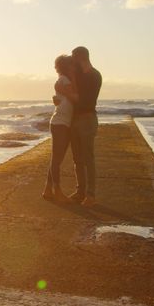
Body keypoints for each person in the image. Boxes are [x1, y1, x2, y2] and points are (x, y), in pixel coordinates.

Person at [62, 46, 102, 207]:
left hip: (87, 118)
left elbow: (83, 100)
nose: (72, 63)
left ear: (80, 58)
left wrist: (65, 92)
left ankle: (90, 195)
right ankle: (80, 191)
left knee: (88, 158)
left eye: (74, 59)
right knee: (77, 159)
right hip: (75, 119)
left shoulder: (94, 75)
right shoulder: (78, 75)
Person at [42, 55, 78, 202]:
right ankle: (56, 191)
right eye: (71, 65)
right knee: (57, 159)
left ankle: (48, 190)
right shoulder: (65, 80)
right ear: (67, 66)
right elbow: (75, 97)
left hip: (62, 122)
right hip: (60, 123)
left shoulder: (62, 80)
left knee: (57, 159)